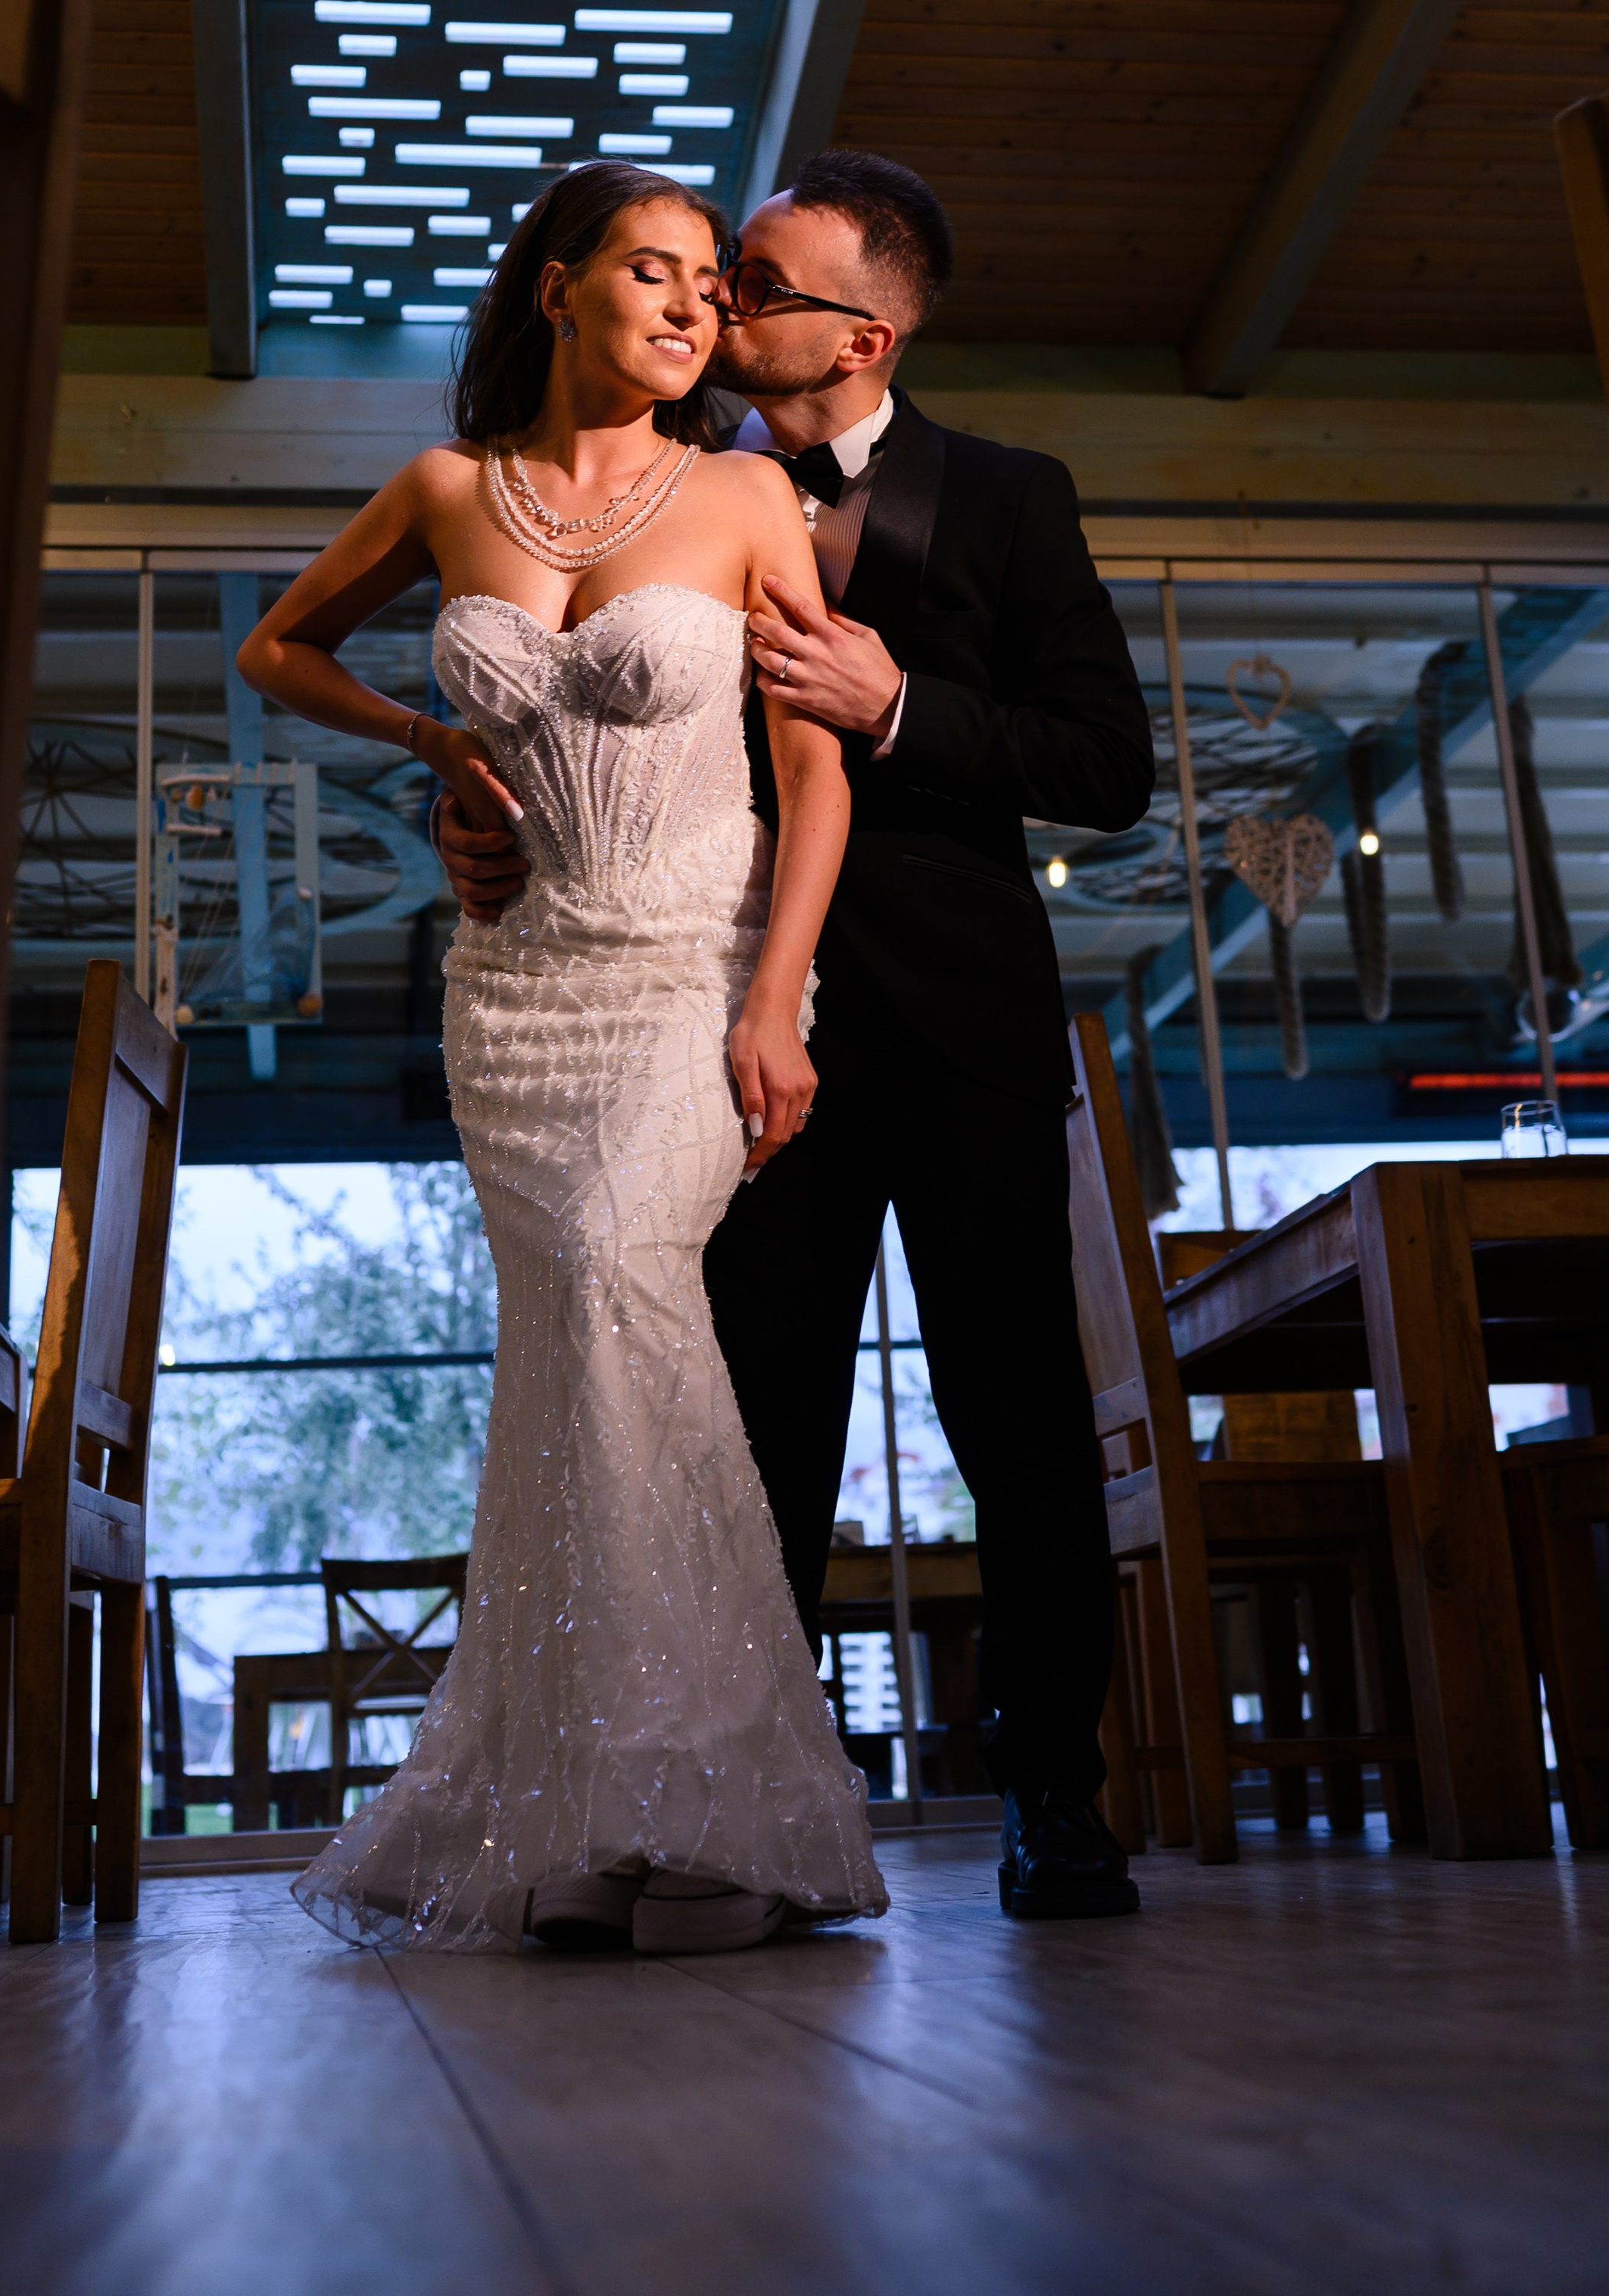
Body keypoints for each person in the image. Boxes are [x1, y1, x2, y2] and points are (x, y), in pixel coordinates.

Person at [440, 150, 1157, 1922]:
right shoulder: (659, 492)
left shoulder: (1006, 495)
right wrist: (480, 807)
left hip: (954, 1015)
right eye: (710, 278)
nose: (718, 305)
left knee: (1017, 1412)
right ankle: (753, 1802)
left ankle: (1051, 1792)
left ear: (865, 331)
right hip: (718, 1016)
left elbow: (1105, 772)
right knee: (751, 1423)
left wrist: (901, 704)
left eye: (757, 285)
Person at [235, 161, 887, 1956]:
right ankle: (592, 1812)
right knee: (562, 1366)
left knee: (623, 1283)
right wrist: (433, 747)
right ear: (553, 287)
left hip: (690, 975)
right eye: (653, 273)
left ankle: (719, 1804)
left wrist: (776, 999)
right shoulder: (450, 490)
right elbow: (276, 647)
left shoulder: (750, 491)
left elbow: (816, 766)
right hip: (512, 988)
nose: (694, 308)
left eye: (708, 285)